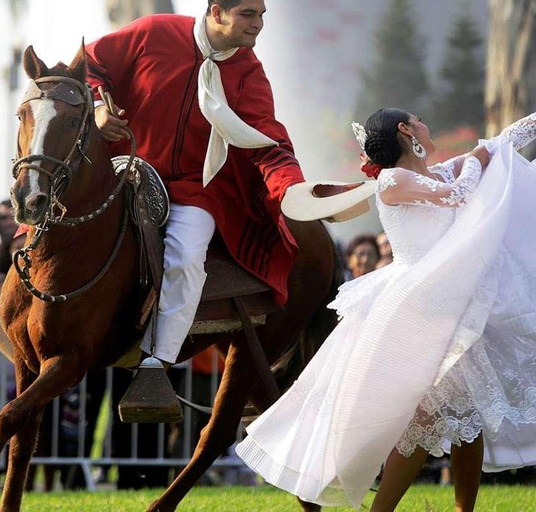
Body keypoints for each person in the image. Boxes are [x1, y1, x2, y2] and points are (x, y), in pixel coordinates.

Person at [236, 108, 536, 511]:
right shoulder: (392, 180)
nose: (427, 125)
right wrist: (478, 161)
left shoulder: (440, 171)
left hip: (452, 306)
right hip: (418, 308)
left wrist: (505, 139)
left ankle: (464, 509)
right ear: (405, 130)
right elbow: (460, 195)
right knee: (427, 420)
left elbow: (503, 142)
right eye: (420, 120)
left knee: (467, 416)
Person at [86, 0, 305, 377]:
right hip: (126, 171)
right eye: (249, 14)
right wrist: (96, 106)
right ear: (217, 12)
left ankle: (156, 364)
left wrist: (293, 190)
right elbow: (91, 61)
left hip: (198, 190)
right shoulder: (153, 31)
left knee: (187, 257)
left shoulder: (249, 72)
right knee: (64, 220)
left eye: (262, 16)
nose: (258, 25)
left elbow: (266, 143)